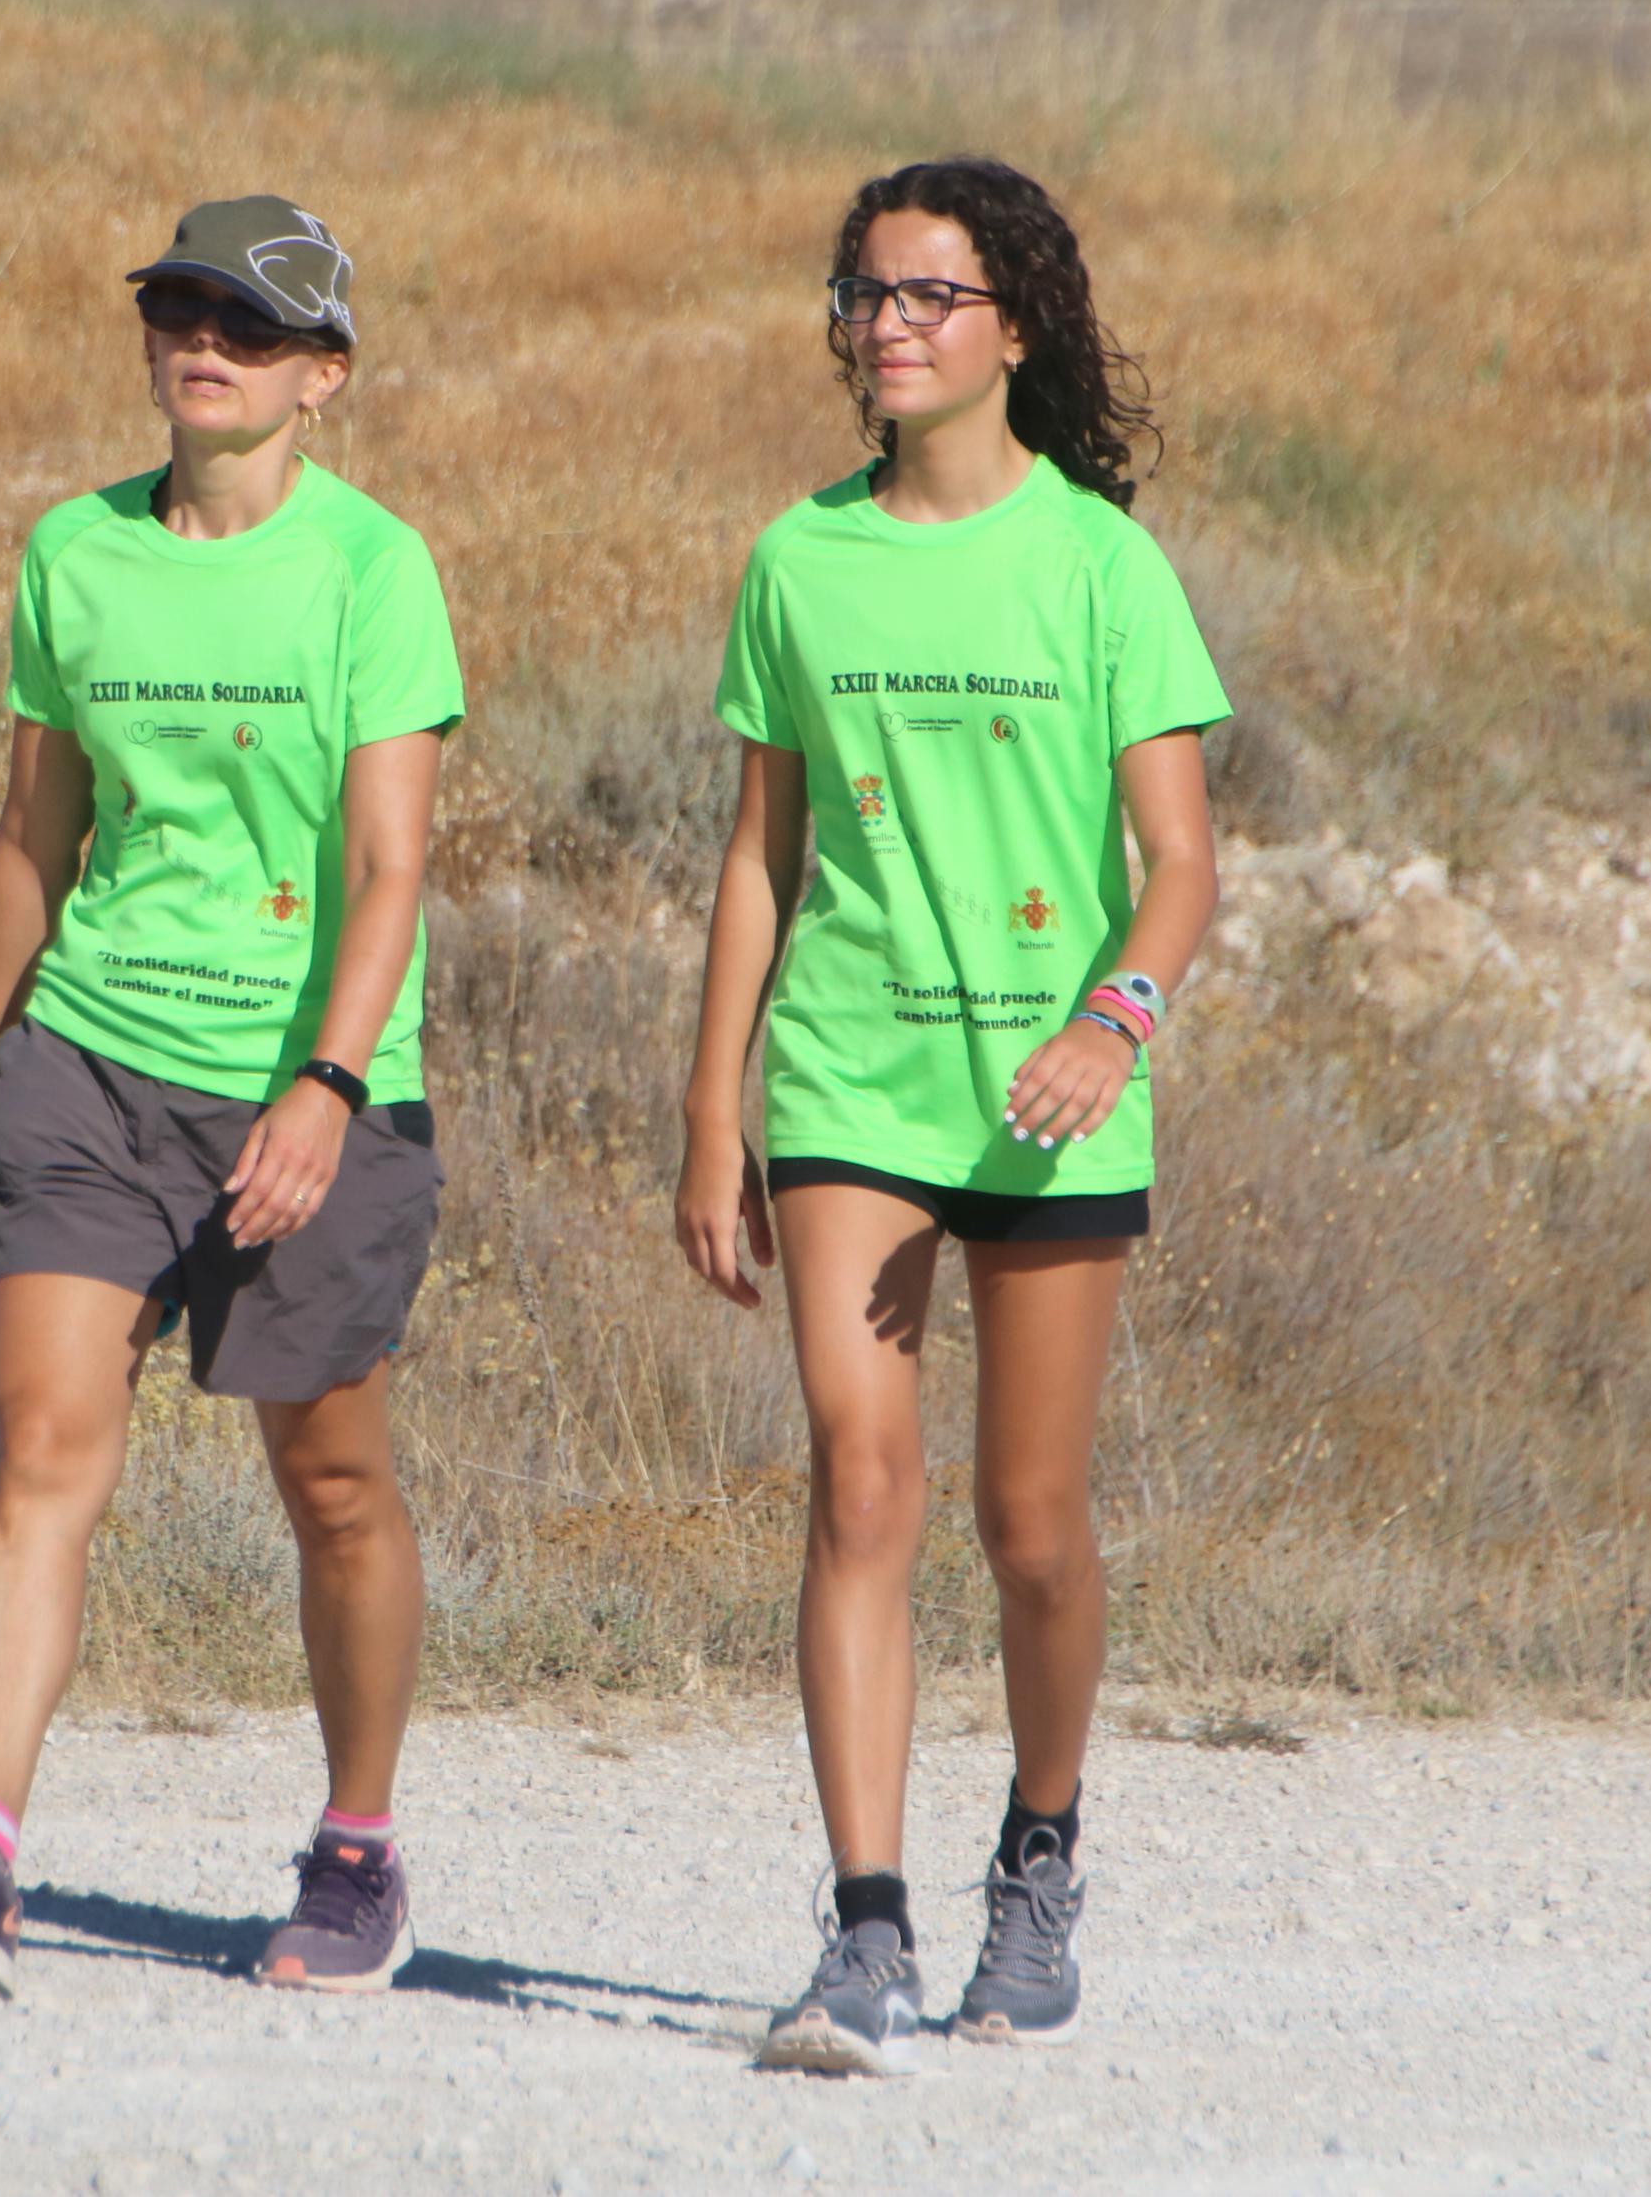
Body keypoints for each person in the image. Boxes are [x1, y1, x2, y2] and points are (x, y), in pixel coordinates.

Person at [0, 195, 461, 2002]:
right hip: (89, 1067)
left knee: (332, 1483)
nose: (207, 343)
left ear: (323, 377)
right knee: (43, 1445)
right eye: (182, 309)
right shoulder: (74, 553)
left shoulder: (375, 568)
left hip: (304, 1087)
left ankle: (356, 1855)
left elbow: (390, 864)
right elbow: (33, 836)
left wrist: (328, 1087)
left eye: (253, 326)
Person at [676, 157, 1225, 2077]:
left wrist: (1114, 1025)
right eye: (862, 293)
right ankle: (864, 1930)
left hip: (1059, 1105)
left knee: (1032, 1523)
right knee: (860, 1482)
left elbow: (1178, 864)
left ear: (1016, 326)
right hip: (851, 1084)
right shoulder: (798, 559)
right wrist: (707, 1100)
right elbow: (761, 853)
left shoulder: (1101, 564)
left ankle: (1043, 1857)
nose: (887, 323)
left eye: (927, 293)